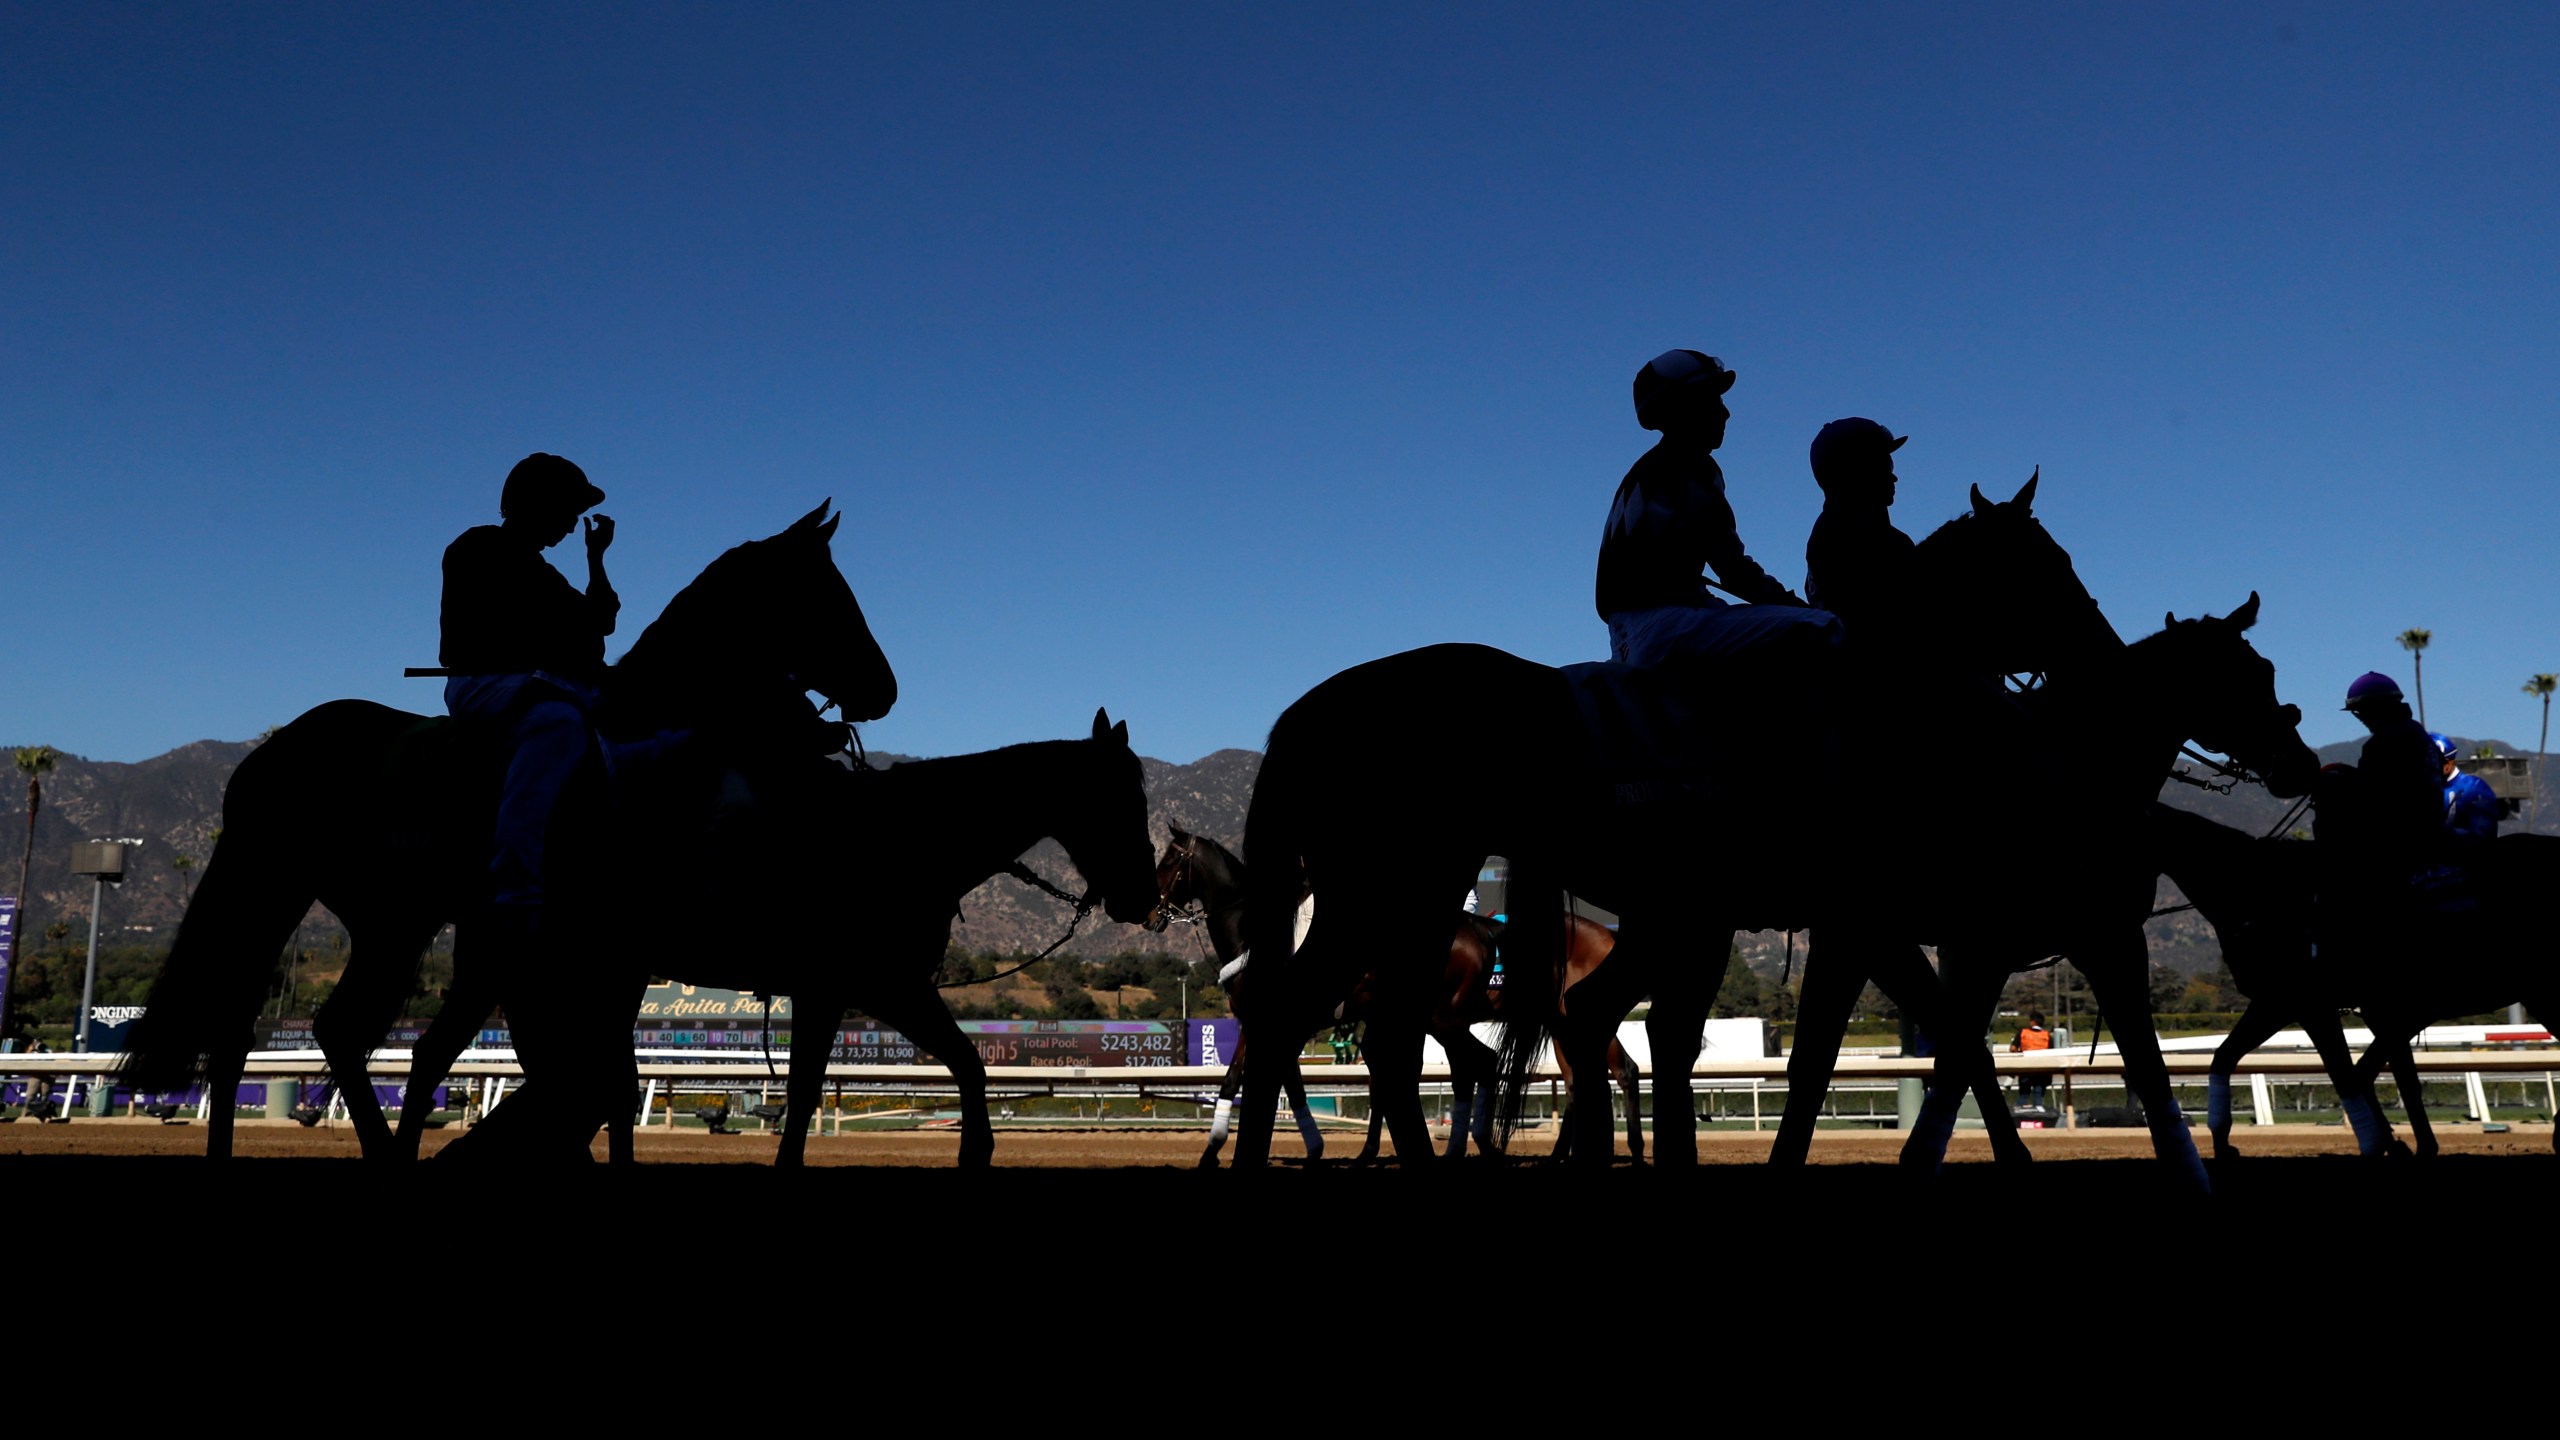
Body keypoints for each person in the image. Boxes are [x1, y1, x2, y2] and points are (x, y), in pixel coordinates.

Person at [439, 452, 619, 940]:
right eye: (565, 510)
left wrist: (595, 559)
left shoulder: (544, 571)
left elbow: (599, 622)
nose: (568, 525)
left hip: (543, 684)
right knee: (559, 721)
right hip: (486, 684)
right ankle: (516, 883)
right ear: (536, 504)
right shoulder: (479, 547)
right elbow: (579, 629)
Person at [1595, 350, 1840, 673]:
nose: (1725, 413)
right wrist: (1796, 604)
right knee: (1827, 627)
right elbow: (1734, 570)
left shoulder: (1641, 474)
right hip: (1668, 625)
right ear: (1681, 408)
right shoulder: (1689, 464)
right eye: (1712, 400)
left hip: (1623, 639)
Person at [2315, 673, 2443, 946]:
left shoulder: (2385, 741)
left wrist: (2335, 784)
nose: (2360, 718)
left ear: (2378, 708)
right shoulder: (2417, 734)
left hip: (2396, 842)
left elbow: (2375, 799)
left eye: (2361, 711)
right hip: (2427, 830)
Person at [1801, 417, 1915, 641]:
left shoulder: (1836, 530)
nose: (1894, 476)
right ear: (1854, 471)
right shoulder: (1843, 535)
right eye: (1882, 465)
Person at [2009, 1010, 2054, 1113]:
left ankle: (2019, 1113)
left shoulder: (2023, 1033)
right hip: (2041, 1069)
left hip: (2025, 1068)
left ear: (2032, 1022)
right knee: (2038, 1091)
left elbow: (2013, 1048)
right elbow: (2052, 1053)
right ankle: (2039, 1111)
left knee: (2024, 1093)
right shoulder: (2047, 1036)